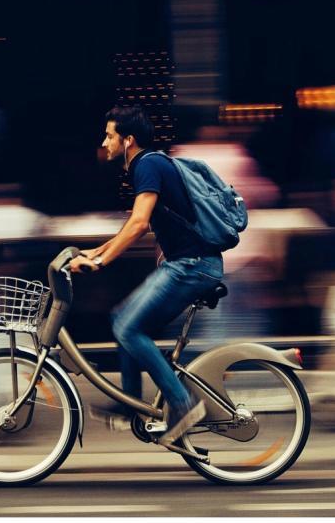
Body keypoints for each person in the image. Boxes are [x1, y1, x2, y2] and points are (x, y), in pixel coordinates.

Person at [69, 106, 223, 445]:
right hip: (185, 264)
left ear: (128, 140)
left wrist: (101, 262)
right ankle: (131, 405)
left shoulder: (147, 165)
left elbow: (138, 224)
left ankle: (184, 404)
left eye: (109, 135)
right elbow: (135, 226)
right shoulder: (149, 165)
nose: (104, 142)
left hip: (192, 266)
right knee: (121, 317)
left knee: (128, 327)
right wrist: (96, 251)